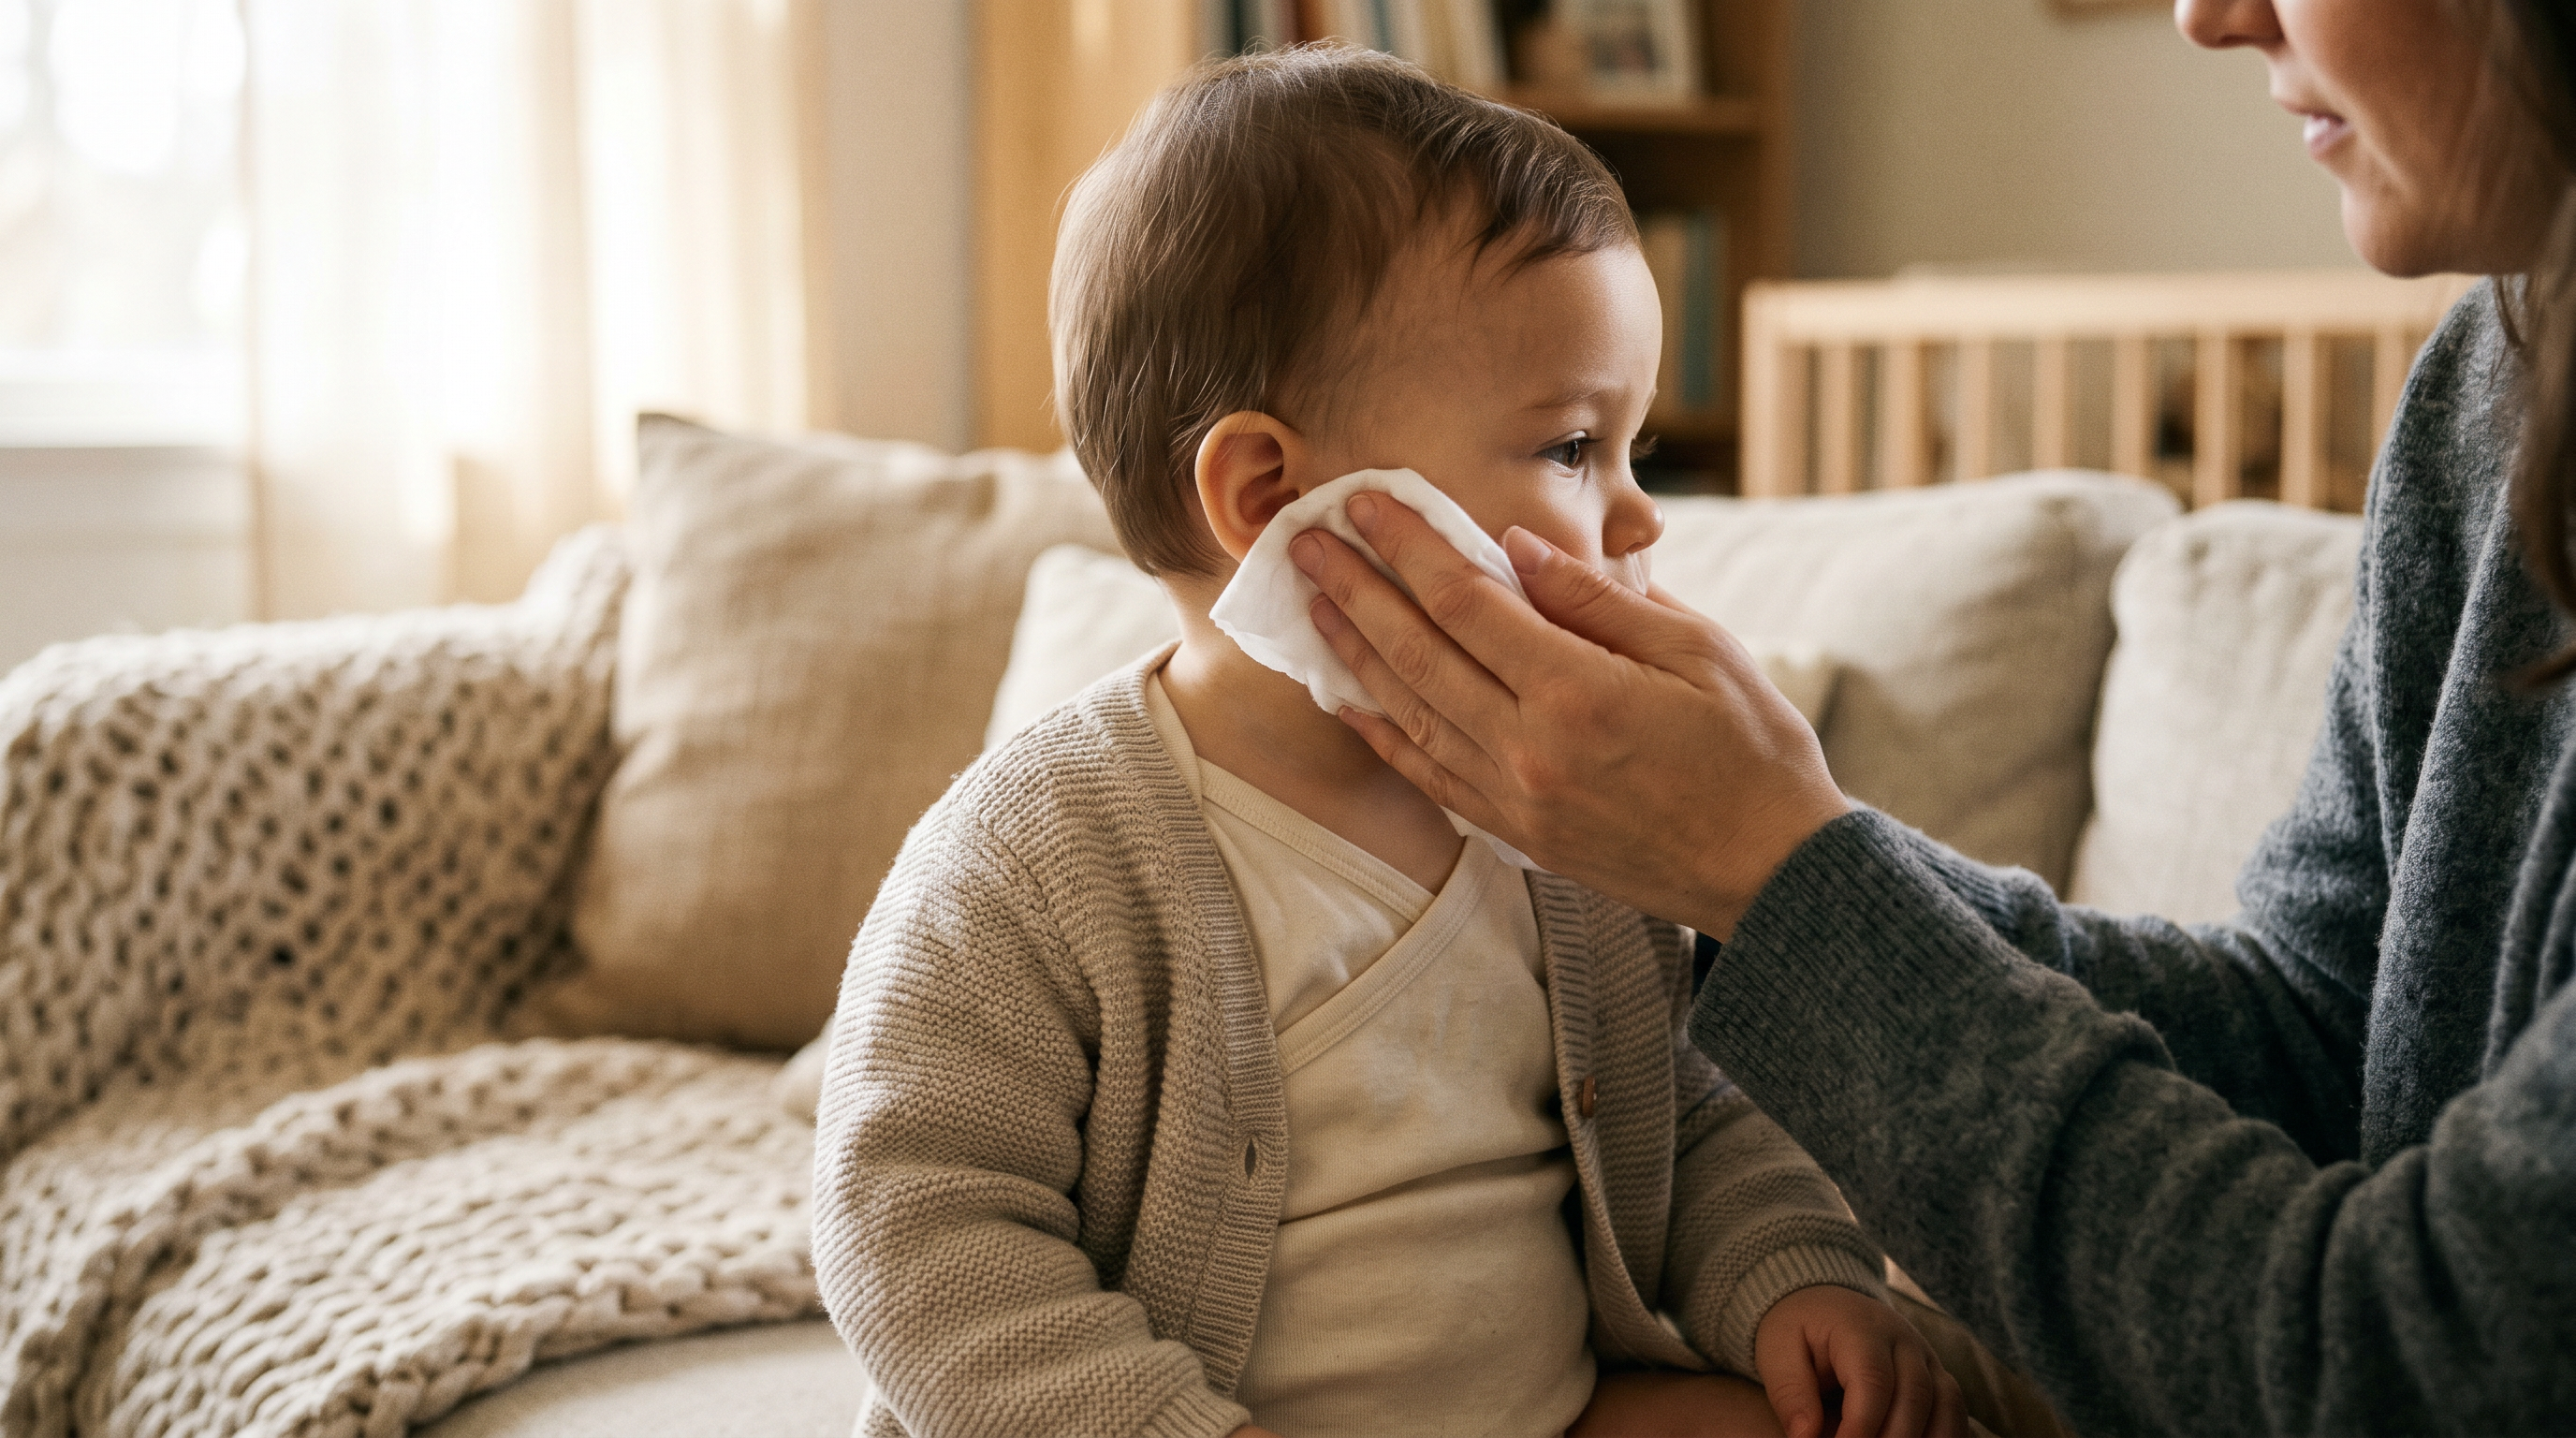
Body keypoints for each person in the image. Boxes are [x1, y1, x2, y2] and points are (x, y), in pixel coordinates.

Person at [1281, 1, 2576, 1433]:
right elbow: (2320, 1043)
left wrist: (1780, 886)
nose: (2210, 15)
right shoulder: (2498, 380)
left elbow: (2444, 1368)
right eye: (1577, 448)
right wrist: (1778, 854)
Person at [812, 46, 1983, 1438]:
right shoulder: (1033, 857)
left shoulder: (1576, 822)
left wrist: (1792, 1282)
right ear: (1270, 492)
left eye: (1635, 451)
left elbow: (1698, 1112)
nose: (1640, 515)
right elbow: (917, 1227)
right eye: (1568, 447)